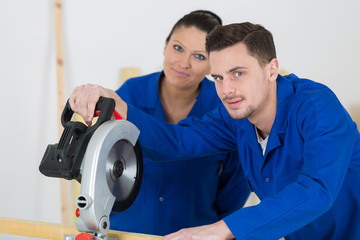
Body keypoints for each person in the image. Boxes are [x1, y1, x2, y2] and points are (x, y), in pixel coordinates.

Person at [69, 22, 360, 240]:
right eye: (218, 77)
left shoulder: (316, 107)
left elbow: (318, 189)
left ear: (272, 70)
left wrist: (223, 228)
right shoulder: (234, 116)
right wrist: (119, 105)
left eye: (238, 73)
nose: (226, 89)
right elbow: (176, 142)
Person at [108, 10, 249, 236]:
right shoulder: (129, 95)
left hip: (193, 234)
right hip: (126, 232)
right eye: (178, 48)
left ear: (213, 65)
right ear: (165, 47)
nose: (184, 63)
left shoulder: (225, 108)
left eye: (199, 56)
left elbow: (236, 184)